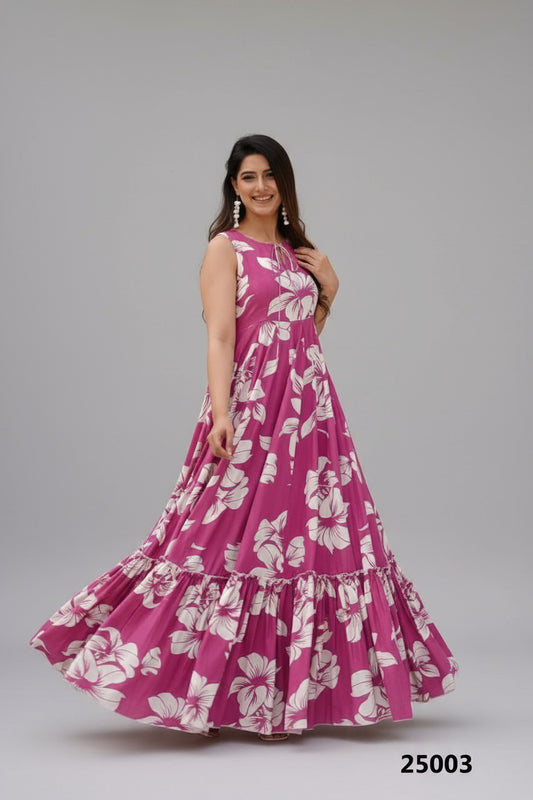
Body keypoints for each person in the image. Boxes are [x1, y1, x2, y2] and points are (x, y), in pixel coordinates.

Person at [28, 134, 459, 743]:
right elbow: (222, 336)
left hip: (311, 417)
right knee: (220, 540)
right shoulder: (224, 249)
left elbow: (300, 335)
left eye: (270, 175)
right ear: (234, 186)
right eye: (248, 177)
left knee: (303, 546)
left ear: (285, 182)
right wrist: (222, 412)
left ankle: (281, 702)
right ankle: (191, 689)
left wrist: (330, 290)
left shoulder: (298, 252)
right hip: (253, 406)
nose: (260, 186)